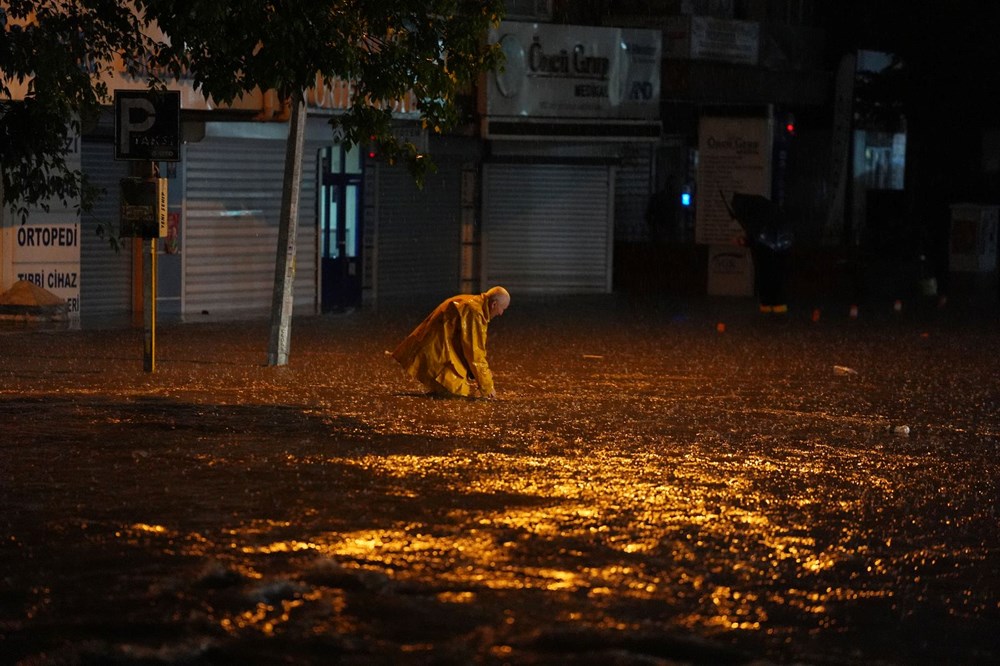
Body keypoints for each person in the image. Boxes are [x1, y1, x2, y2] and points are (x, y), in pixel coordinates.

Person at [392, 286, 510, 399]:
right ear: (494, 304)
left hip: (432, 350)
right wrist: (487, 387)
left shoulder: (470, 302)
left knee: (449, 393)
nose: (501, 313)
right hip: (437, 354)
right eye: (502, 309)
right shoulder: (475, 312)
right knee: (456, 395)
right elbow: (475, 353)